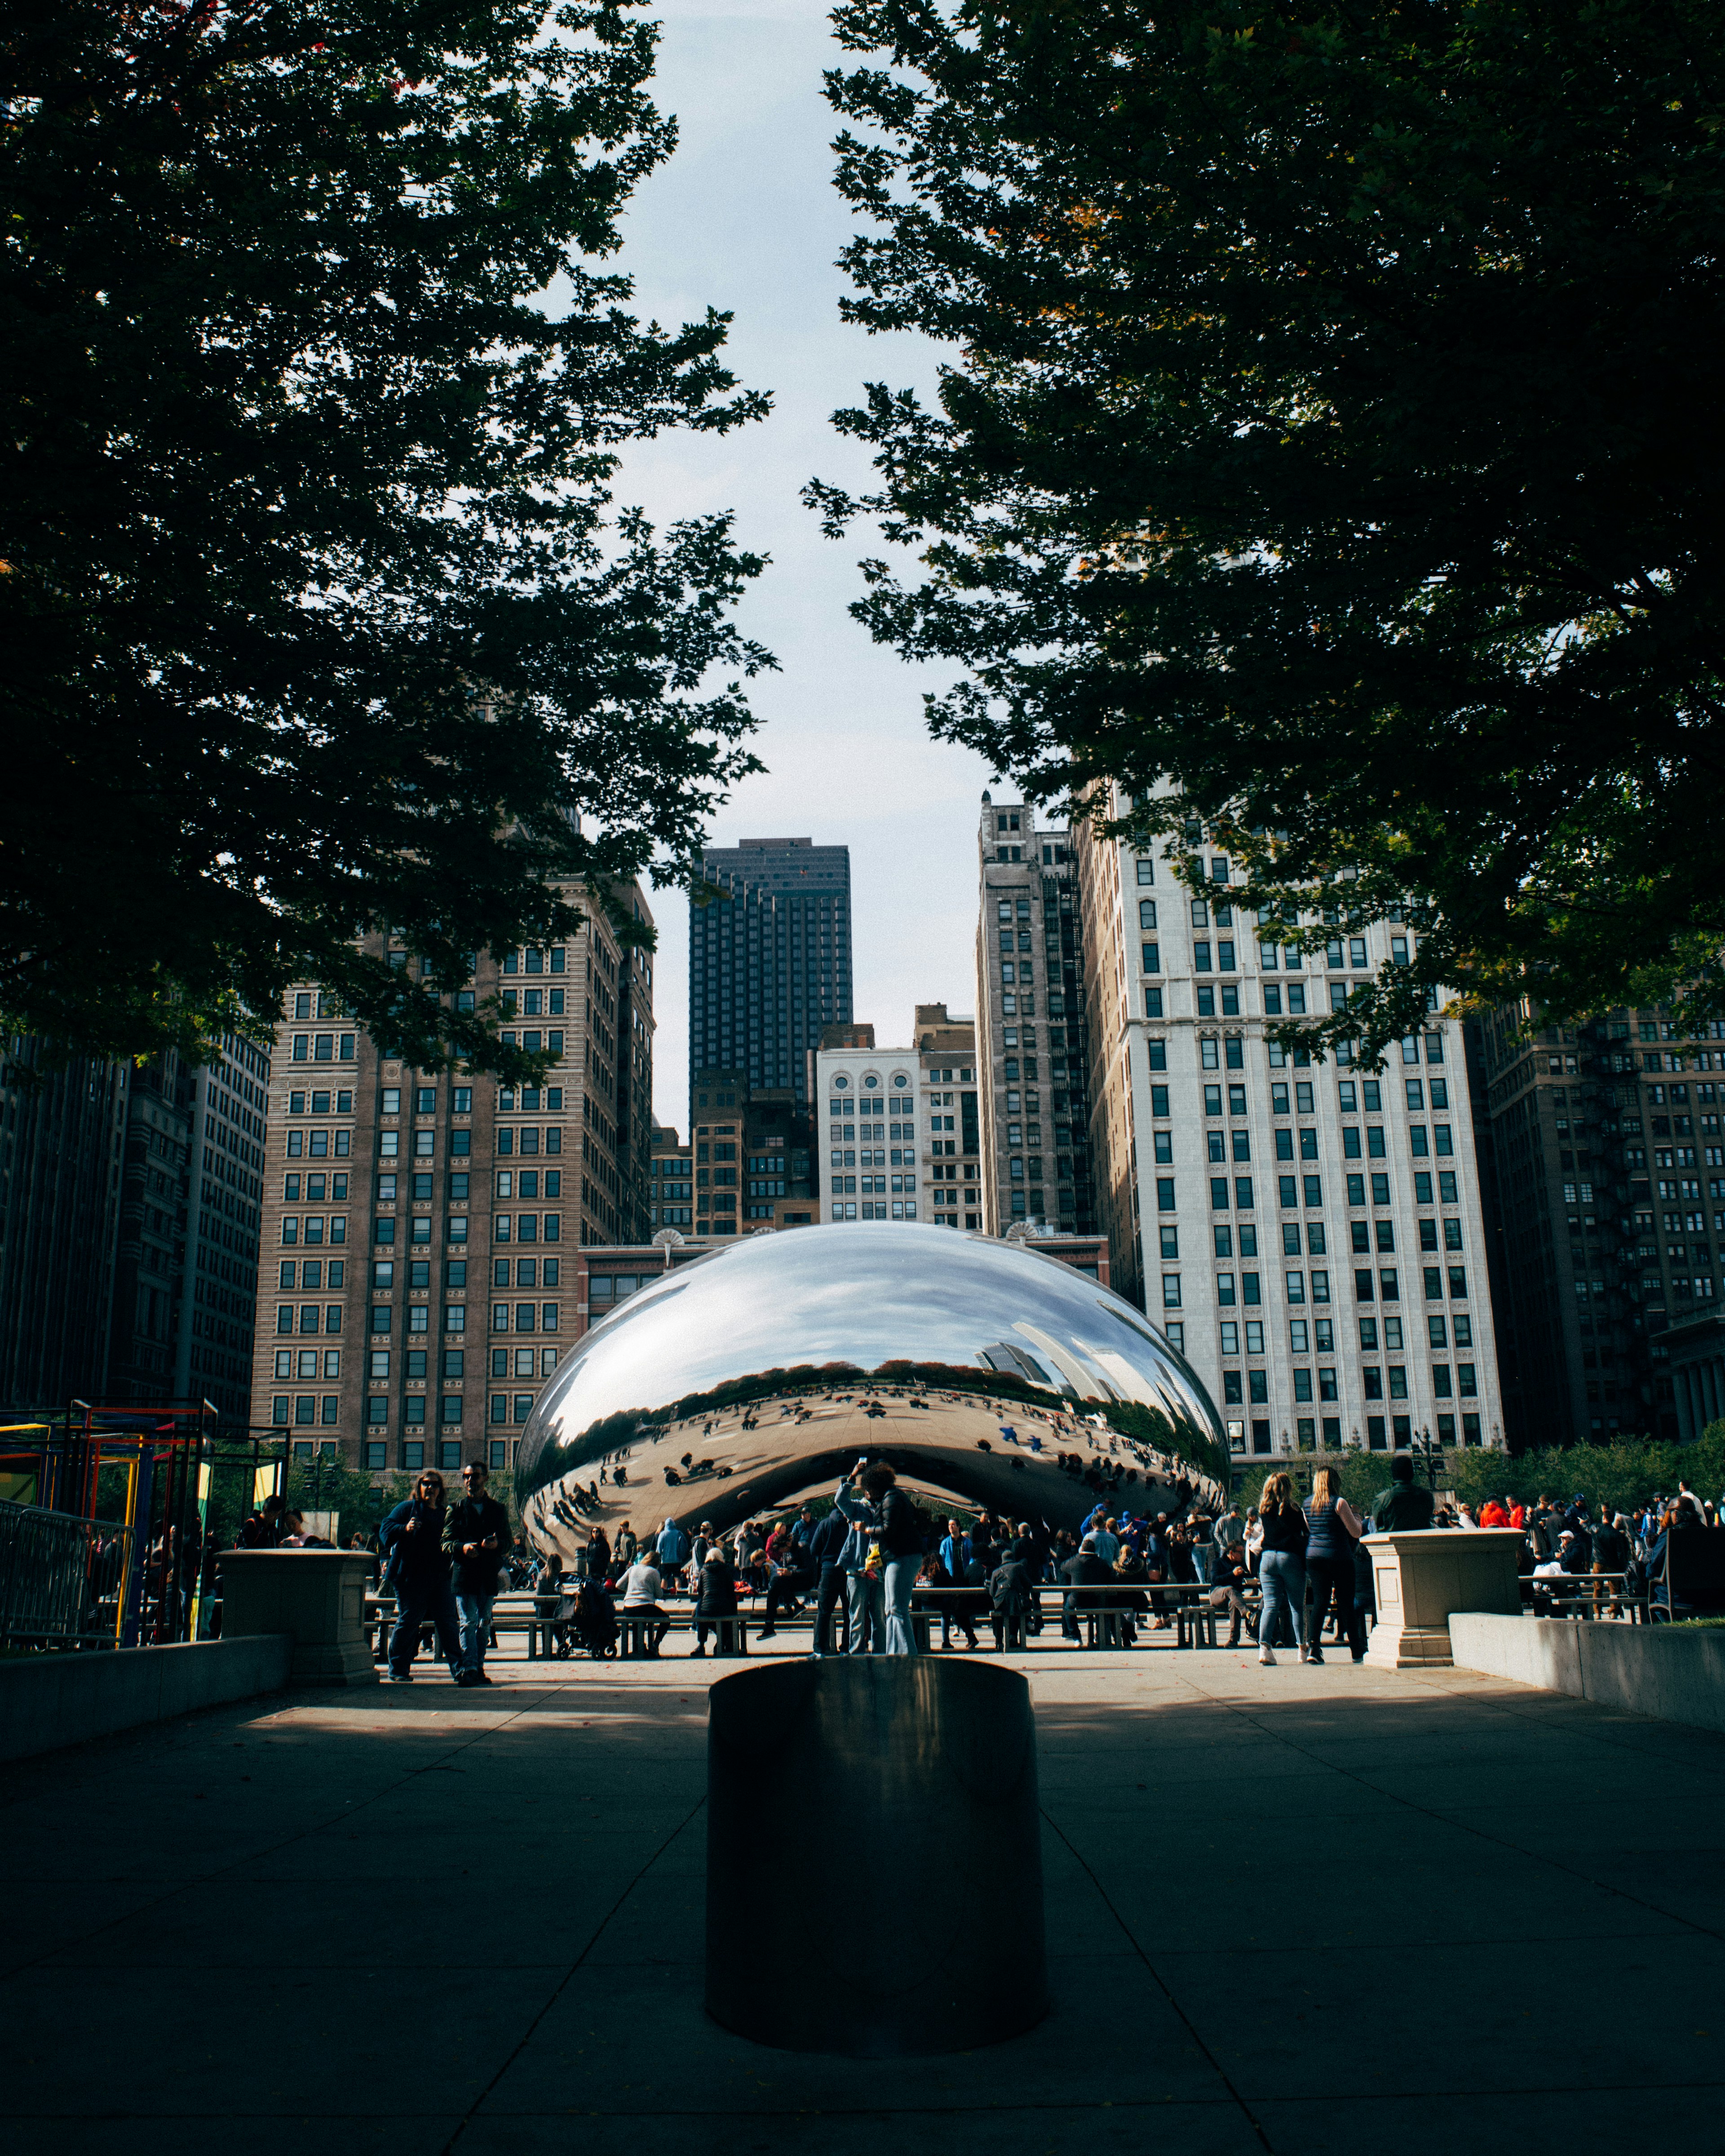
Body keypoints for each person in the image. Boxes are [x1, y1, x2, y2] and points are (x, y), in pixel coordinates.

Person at [380, 1470, 463, 1683]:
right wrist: (404, 1528)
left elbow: (453, 1540)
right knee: (409, 1621)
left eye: (435, 1485)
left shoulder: (445, 1514)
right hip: (410, 1578)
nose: (431, 1488)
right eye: (426, 1484)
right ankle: (398, 1670)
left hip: (439, 1577)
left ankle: (460, 1670)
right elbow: (385, 1530)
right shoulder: (407, 1509)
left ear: (440, 1490)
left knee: (449, 1622)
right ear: (420, 1487)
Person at [442, 1460, 513, 1686]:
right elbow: (445, 1542)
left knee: (484, 1624)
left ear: (485, 1479)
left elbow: (509, 1541)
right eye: (467, 1476)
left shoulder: (498, 1510)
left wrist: (497, 1545)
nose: (470, 1480)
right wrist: (462, 1548)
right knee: (467, 1622)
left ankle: (479, 1666)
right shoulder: (455, 1509)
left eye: (475, 1476)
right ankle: (470, 1668)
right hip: (464, 1575)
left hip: (488, 1576)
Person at [1304, 1465, 1367, 1663]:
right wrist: (1358, 1518)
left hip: (1314, 1556)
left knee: (1321, 1602)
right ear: (1334, 1482)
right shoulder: (1339, 1503)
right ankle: (1356, 1650)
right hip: (1340, 1557)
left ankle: (1314, 1649)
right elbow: (1356, 1532)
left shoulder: (1307, 1504)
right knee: (1346, 1602)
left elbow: (1310, 1529)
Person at [862, 1462, 923, 1655]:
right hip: (900, 1557)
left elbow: (889, 1529)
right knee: (891, 1608)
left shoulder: (891, 1499)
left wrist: (867, 1530)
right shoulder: (894, 1497)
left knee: (897, 1609)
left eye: (869, 1489)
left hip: (902, 1557)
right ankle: (895, 1652)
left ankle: (907, 1654)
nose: (868, 1493)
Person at [1256, 1471, 1311, 1666]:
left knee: (1271, 1605)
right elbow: (1306, 1532)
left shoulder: (1264, 1510)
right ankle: (1302, 1649)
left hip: (1267, 1559)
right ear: (1288, 1488)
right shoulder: (1295, 1510)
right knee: (1297, 1607)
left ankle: (1264, 1648)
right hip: (1290, 1558)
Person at [835, 1464, 885, 1655]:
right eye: (868, 1488)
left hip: (879, 1572)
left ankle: (881, 1655)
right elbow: (840, 1499)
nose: (870, 1491)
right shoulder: (857, 1508)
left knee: (880, 1617)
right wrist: (853, 1475)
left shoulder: (884, 1509)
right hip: (858, 1570)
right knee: (857, 1617)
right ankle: (856, 1655)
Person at [688, 1540, 739, 1657]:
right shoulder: (726, 1570)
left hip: (706, 1609)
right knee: (729, 1618)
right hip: (723, 1608)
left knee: (702, 1609)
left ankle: (701, 1646)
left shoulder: (703, 1570)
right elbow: (730, 1590)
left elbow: (700, 1591)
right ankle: (720, 1644)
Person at [617, 1548, 671, 1656]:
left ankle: (639, 1646)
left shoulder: (633, 1568)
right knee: (666, 1620)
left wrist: (630, 1590)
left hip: (628, 1607)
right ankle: (655, 1644)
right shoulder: (654, 1572)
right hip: (644, 1605)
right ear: (656, 1563)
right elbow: (659, 1595)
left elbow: (618, 1585)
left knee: (638, 1621)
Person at [1371, 1453, 1436, 1532]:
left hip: (1392, 1543)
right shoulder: (1427, 1497)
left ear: (1393, 1474)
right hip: (1421, 1542)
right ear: (1412, 1473)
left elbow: (1379, 1526)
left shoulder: (1382, 1499)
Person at [1207, 1539, 1254, 1648]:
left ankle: (1233, 1640)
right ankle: (1247, 1613)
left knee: (1234, 1604)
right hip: (1217, 1594)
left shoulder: (1241, 1564)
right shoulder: (1218, 1562)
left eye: (1243, 1552)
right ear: (1231, 1553)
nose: (1242, 1555)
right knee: (1230, 1589)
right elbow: (1215, 1580)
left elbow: (1249, 1575)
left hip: (1233, 1599)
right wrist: (1232, 1574)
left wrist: (1252, 1579)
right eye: (1240, 1552)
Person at [655, 1517, 690, 1591]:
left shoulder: (663, 1534)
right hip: (677, 1560)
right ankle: (679, 1595)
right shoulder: (679, 1533)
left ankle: (663, 1595)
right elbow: (684, 1546)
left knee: (665, 1578)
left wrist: (658, 1557)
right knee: (677, 1578)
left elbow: (659, 1548)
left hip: (665, 1561)